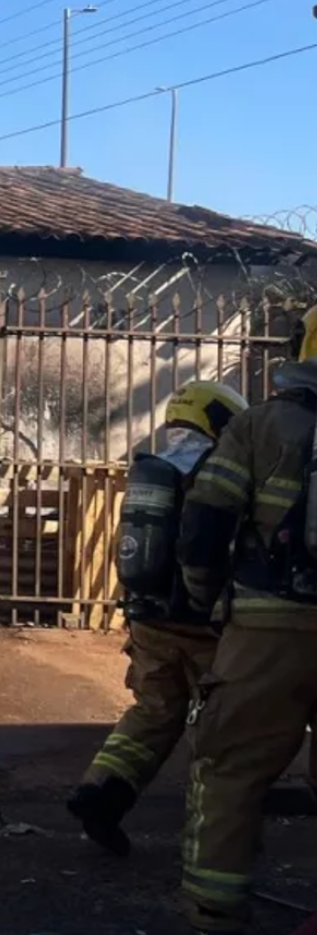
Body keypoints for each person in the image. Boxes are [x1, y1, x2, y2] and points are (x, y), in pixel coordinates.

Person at [175, 306, 317, 933]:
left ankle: (214, 907)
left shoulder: (259, 427)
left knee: (231, 766)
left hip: (267, 632)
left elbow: (206, 522)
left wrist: (203, 597)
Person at [66, 381, 248, 855]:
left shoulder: (156, 467)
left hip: (149, 622)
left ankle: (101, 790)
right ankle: (210, 836)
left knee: (153, 712)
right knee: (220, 728)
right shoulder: (221, 473)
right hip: (206, 625)